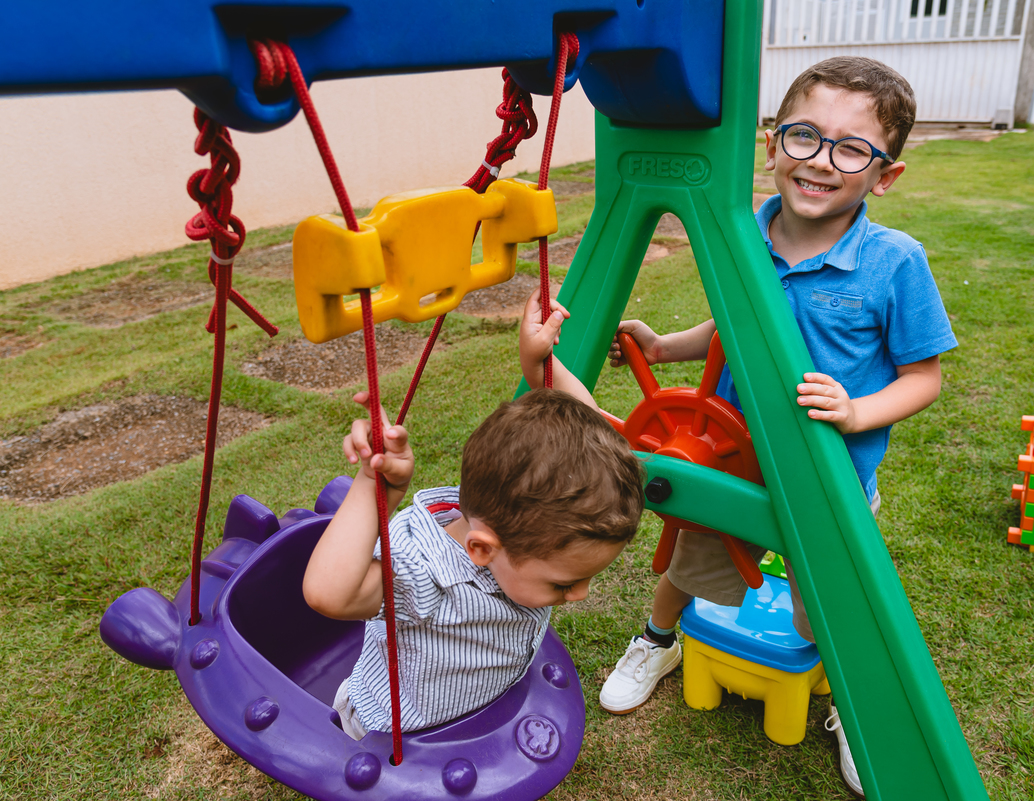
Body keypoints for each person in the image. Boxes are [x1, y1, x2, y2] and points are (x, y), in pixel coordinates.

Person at [597, 56, 957, 797]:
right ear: (771, 143)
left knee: (825, 604)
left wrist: (858, 411)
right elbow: (737, 325)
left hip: (829, 480)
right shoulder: (741, 235)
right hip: (725, 461)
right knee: (686, 566)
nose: (820, 161)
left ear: (884, 175)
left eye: (851, 147)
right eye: (804, 136)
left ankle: (855, 712)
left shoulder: (894, 262)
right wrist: (667, 347)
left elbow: (924, 376)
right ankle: (658, 641)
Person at [303, 363, 645, 738]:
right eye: (564, 585)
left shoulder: (517, 516)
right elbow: (328, 594)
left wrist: (540, 362)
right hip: (398, 734)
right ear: (482, 549)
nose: (582, 594)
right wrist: (374, 487)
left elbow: (589, 431)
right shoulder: (423, 571)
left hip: (477, 706)